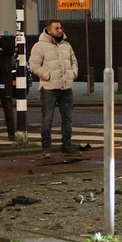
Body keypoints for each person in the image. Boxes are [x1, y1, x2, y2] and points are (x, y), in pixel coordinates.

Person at [29, 19, 80, 158]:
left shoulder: (66, 45)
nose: (60, 30)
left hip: (66, 88)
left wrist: (72, 74)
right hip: (49, 89)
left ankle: (67, 145)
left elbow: (74, 61)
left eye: (60, 28)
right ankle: (46, 148)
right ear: (49, 30)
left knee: (67, 118)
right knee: (47, 119)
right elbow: (33, 65)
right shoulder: (39, 46)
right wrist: (48, 76)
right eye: (56, 28)